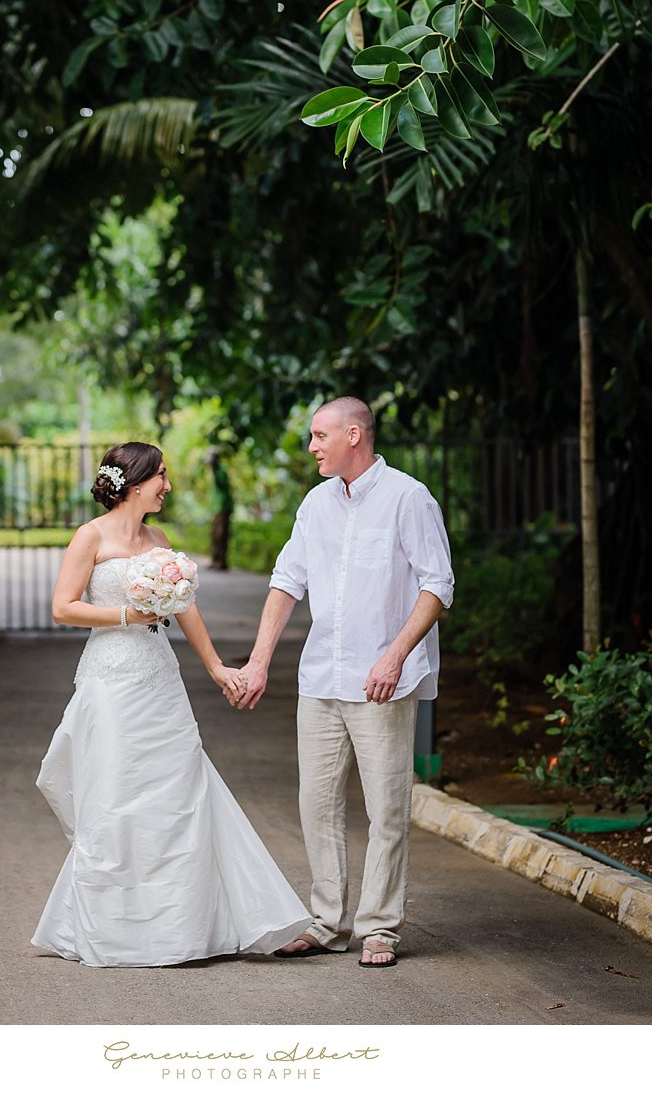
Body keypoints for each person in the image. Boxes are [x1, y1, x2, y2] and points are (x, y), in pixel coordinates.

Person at [31, 440, 310, 968]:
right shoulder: (90, 536)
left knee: (185, 789)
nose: (168, 485)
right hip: (111, 680)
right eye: (161, 475)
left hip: (159, 678)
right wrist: (125, 617)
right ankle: (117, 930)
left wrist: (217, 667)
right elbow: (63, 608)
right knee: (117, 796)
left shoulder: (158, 540)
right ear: (136, 483)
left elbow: (185, 608)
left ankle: (219, 922)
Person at [232, 397, 454, 968]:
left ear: (353, 435)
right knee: (317, 804)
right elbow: (287, 581)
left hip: (383, 682)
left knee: (387, 810)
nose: (311, 447)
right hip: (321, 679)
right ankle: (328, 922)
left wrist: (395, 656)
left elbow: (438, 585)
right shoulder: (316, 503)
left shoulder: (409, 497)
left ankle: (379, 928)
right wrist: (258, 662)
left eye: (319, 436)